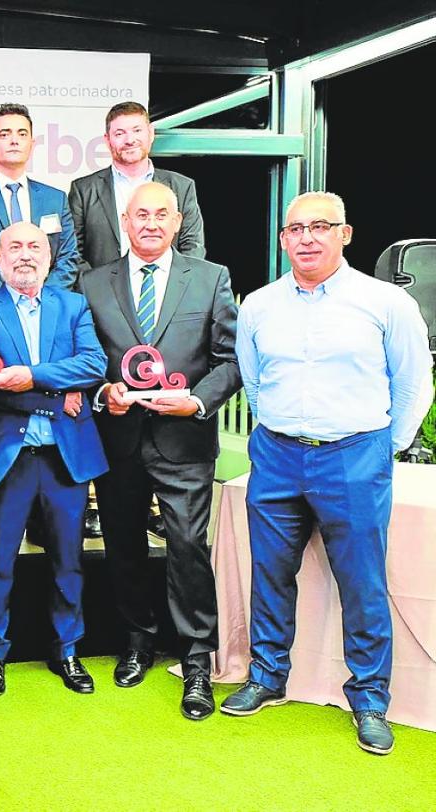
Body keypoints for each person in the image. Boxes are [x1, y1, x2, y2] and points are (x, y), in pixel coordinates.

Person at [224, 191, 433, 755]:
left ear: (345, 234)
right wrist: (283, 426)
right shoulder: (260, 305)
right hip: (277, 456)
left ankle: (369, 698)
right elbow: (254, 379)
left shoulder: (385, 302)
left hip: (355, 456)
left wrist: (383, 447)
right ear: (283, 239)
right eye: (296, 229)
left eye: (321, 226)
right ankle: (267, 677)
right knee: (270, 573)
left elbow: (414, 382)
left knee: (362, 582)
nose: (308, 238)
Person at [80, 181, 240, 720]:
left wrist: (196, 401)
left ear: (177, 222)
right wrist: (103, 391)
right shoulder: (93, 282)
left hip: (184, 439)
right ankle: (137, 640)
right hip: (119, 438)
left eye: (161, 215)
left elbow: (230, 360)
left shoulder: (211, 278)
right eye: (140, 215)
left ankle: (196, 659)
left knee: (188, 546)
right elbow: (85, 356)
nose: (150, 223)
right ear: (125, 222)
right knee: (122, 544)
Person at [0, 221, 107, 697]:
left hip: (65, 457)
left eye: (34, 247)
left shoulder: (73, 305)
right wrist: (57, 395)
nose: (25, 255)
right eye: (15, 247)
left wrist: (29, 376)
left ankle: (67, 650)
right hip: (11, 456)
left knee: (69, 561)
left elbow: (93, 365)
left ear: (49, 258)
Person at [0, 104, 78, 298]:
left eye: (22, 134)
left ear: (32, 145)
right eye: (5, 134)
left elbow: (68, 257)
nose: (14, 140)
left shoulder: (55, 199)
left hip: (46, 306)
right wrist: (9, 299)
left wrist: (42, 298)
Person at [69, 101, 206, 273]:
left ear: (151, 133)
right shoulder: (83, 190)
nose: (130, 140)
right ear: (107, 140)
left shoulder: (181, 187)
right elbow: (72, 253)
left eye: (137, 130)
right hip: (99, 289)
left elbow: (193, 248)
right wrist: (97, 285)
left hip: (168, 288)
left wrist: (174, 284)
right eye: (120, 133)